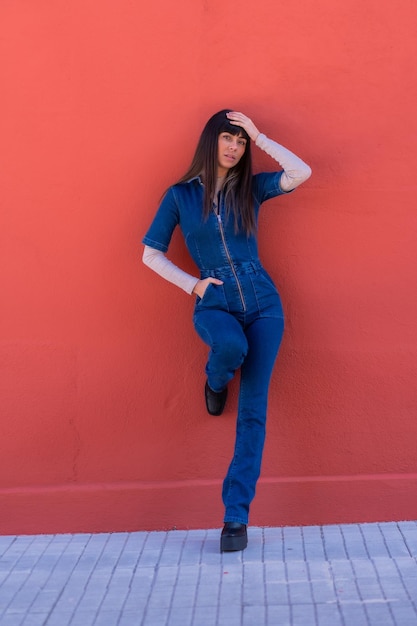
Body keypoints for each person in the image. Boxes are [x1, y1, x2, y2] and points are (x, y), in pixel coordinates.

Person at [142, 110, 311, 552]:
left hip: (264, 303)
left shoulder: (250, 190)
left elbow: (300, 172)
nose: (235, 148)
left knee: (254, 411)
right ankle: (216, 380)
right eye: (228, 139)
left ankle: (236, 518)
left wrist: (261, 134)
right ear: (210, 142)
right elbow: (150, 254)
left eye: (241, 142)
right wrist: (194, 284)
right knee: (230, 347)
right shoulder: (179, 196)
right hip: (214, 302)